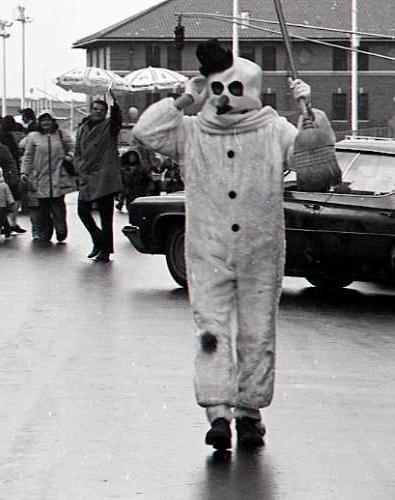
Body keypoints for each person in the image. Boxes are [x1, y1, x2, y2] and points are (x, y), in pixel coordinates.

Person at [133, 39, 319, 450]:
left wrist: (310, 114)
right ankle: (217, 411)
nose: (223, 98)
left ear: (250, 90)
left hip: (260, 248)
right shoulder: (193, 131)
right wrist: (184, 99)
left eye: (234, 90)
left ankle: (249, 413)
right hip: (209, 249)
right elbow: (146, 131)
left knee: (257, 332)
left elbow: (313, 164)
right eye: (216, 89)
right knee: (211, 331)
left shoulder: (273, 129)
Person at [74, 95, 124, 262]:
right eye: (95, 109)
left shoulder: (109, 126)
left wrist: (114, 104)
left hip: (104, 176)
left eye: (102, 110)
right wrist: (79, 166)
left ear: (105, 113)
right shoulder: (82, 128)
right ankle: (99, 240)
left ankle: (105, 250)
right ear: (90, 110)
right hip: (87, 174)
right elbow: (77, 151)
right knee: (82, 211)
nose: (98, 112)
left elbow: (117, 120)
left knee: (105, 215)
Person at [19, 110, 77, 243]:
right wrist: (24, 172)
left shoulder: (62, 135)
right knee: (42, 207)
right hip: (39, 178)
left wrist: (69, 156)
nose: (46, 123)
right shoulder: (33, 137)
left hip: (58, 177)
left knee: (58, 204)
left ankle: (61, 229)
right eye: (43, 120)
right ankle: (44, 231)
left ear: (53, 121)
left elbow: (75, 148)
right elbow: (28, 157)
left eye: (48, 120)